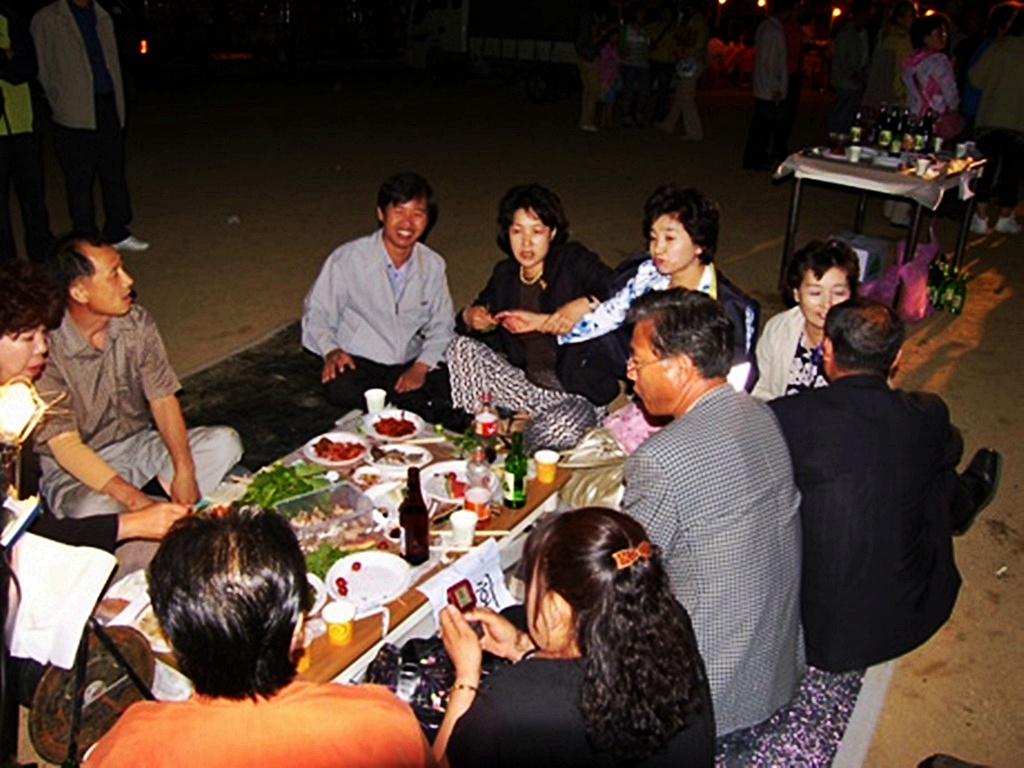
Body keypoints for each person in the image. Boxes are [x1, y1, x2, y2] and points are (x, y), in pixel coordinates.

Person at [83, 507, 437, 767]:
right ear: (298, 629)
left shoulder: (128, 745)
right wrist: (463, 684)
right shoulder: (380, 720)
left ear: (169, 636)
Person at [769, 299, 1002, 672]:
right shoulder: (926, 411)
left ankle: (962, 502)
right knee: (927, 468)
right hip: (908, 617)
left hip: (806, 629)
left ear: (827, 349)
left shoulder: (785, 416)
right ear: (897, 357)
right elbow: (950, 448)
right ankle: (964, 503)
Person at [621, 289, 804, 735]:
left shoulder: (661, 459)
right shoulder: (759, 413)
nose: (629, 372)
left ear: (682, 367)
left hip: (714, 688)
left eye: (638, 361)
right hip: (777, 661)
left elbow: (625, 569)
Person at [433, 507, 716, 767]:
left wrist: (466, 677)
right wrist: (521, 646)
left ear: (555, 609)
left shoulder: (507, 703)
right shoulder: (671, 622)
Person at [33, 234, 242, 525]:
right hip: (75, 469)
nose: (128, 280)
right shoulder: (43, 349)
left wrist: (184, 469)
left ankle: (156, 506)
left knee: (224, 443)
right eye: (114, 274)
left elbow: (163, 398)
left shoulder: (135, 322)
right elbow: (65, 446)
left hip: (136, 446)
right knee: (92, 509)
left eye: (123, 268)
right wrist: (139, 503)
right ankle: (152, 509)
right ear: (79, 292)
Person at [0, 260, 187, 550]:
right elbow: (20, 533)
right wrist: (132, 522)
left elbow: (23, 511)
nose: (42, 348)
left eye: (42, 335)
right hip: (24, 543)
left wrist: (183, 468)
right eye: (27, 338)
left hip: (131, 450)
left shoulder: (16, 398)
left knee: (221, 444)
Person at [449, 184, 618, 449]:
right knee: (459, 348)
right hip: (525, 387)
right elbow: (475, 316)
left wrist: (586, 304)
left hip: (575, 393)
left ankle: (511, 433)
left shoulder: (572, 262)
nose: (526, 242)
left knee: (563, 428)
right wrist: (471, 317)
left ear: (552, 233)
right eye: (517, 231)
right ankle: (488, 421)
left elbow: (622, 288)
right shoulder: (505, 274)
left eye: (536, 231)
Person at [560, 185, 759, 390]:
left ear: (699, 244)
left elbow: (737, 381)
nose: (657, 248)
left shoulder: (730, 308)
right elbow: (605, 318)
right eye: (653, 238)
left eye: (670, 238)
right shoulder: (646, 275)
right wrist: (554, 324)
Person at [302, 172, 455, 419]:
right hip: (360, 360)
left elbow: (442, 323)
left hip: (408, 360)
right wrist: (331, 350)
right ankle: (403, 406)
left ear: (428, 220)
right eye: (399, 212)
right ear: (381, 214)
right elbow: (317, 312)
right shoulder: (347, 259)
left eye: (417, 214)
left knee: (449, 383)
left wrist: (420, 367)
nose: (407, 223)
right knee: (340, 387)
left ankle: (392, 406)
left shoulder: (432, 265)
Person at [30, 0, 148, 253]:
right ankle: (86, 240)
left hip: (106, 102)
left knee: (113, 172)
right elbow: (42, 66)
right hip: (74, 110)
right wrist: (59, 98)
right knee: (80, 180)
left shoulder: (102, 14)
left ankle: (117, 230)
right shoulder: (48, 18)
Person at [752, 239, 859, 400]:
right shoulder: (779, 329)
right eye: (815, 293)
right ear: (796, 294)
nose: (827, 303)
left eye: (838, 293)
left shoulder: (863, 340)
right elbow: (759, 387)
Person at [0, 2, 53, 264]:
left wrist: (9, 58)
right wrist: (7, 55)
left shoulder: (10, 15)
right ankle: (7, 268)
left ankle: (42, 257)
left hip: (24, 122)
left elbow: (25, 68)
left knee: (34, 197)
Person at [968, 6, 1024, 236]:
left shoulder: (999, 46)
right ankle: (1005, 216)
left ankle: (980, 216)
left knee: (985, 169)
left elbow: (976, 77)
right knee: (1012, 171)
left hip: (991, 116)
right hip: (1019, 120)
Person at [742, 0, 796, 170]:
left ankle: (755, 158)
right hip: (768, 87)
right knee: (764, 127)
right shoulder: (773, 31)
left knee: (761, 125)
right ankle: (757, 159)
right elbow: (772, 62)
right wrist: (776, 88)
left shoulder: (766, 27)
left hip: (763, 84)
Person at [655, 0, 709, 141]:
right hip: (692, 60)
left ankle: (695, 132)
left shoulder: (695, 21)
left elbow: (692, 41)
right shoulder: (699, 20)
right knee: (680, 94)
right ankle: (669, 124)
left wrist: (680, 37)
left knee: (686, 97)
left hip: (692, 61)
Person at [901, 14, 960, 125]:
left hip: (913, 115)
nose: (944, 37)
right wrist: (954, 109)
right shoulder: (939, 60)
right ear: (926, 37)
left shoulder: (910, 61)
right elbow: (950, 92)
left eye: (945, 33)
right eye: (939, 33)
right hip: (936, 117)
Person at [862, 1, 917, 109]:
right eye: (910, 16)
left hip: (880, 91)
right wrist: (903, 94)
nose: (913, 20)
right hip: (894, 94)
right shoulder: (900, 41)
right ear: (900, 19)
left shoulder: (886, 36)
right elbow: (901, 69)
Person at [827, 0, 871, 134]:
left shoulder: (863, 33)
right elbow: (841, 57)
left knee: (851, 113)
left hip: (858, 77)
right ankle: (835, 136)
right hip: (845, 79)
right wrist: (852, 73)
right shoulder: (846, 33)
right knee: (842, 111)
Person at [646, 3, 681, 125]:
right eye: (664, 12)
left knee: (663, 90)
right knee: (646, 87)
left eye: (668, 13)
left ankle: (658, 115)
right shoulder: (652, 27)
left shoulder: (676, 29)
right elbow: (647, 40)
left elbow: (679, 45)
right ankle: (641, 110)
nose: (666, 15)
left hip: (668, 62)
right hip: (653, 60)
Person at [618, 4, 651, 127]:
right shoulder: (626, 29)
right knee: (628, 91)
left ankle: (638, 113)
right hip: (629, 64)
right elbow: (620, 46)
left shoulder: (646, 29)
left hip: (643, 64)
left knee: (644, 91)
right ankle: (627, 115)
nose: (642, 16)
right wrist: (623, 51)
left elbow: (649, 46)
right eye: (640, 13)